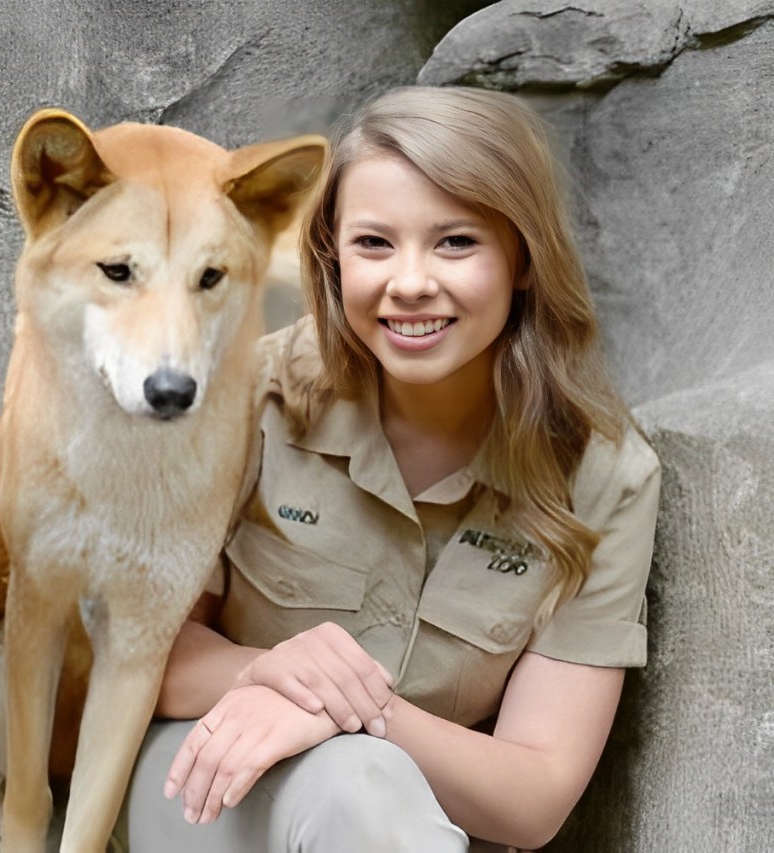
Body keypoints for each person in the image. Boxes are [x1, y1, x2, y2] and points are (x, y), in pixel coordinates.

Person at [119, 86, 661, 852]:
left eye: (455, 242)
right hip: (203, 778)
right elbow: (141, 654)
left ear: (525, 259)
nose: (409, 281)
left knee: (367, 785)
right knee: (360, 785)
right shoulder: (245, 396)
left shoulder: (606, 476)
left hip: (397, 821)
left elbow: (535, 796)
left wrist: (346, 706)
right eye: (374, 243)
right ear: (333, 258)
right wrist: (271, 670)